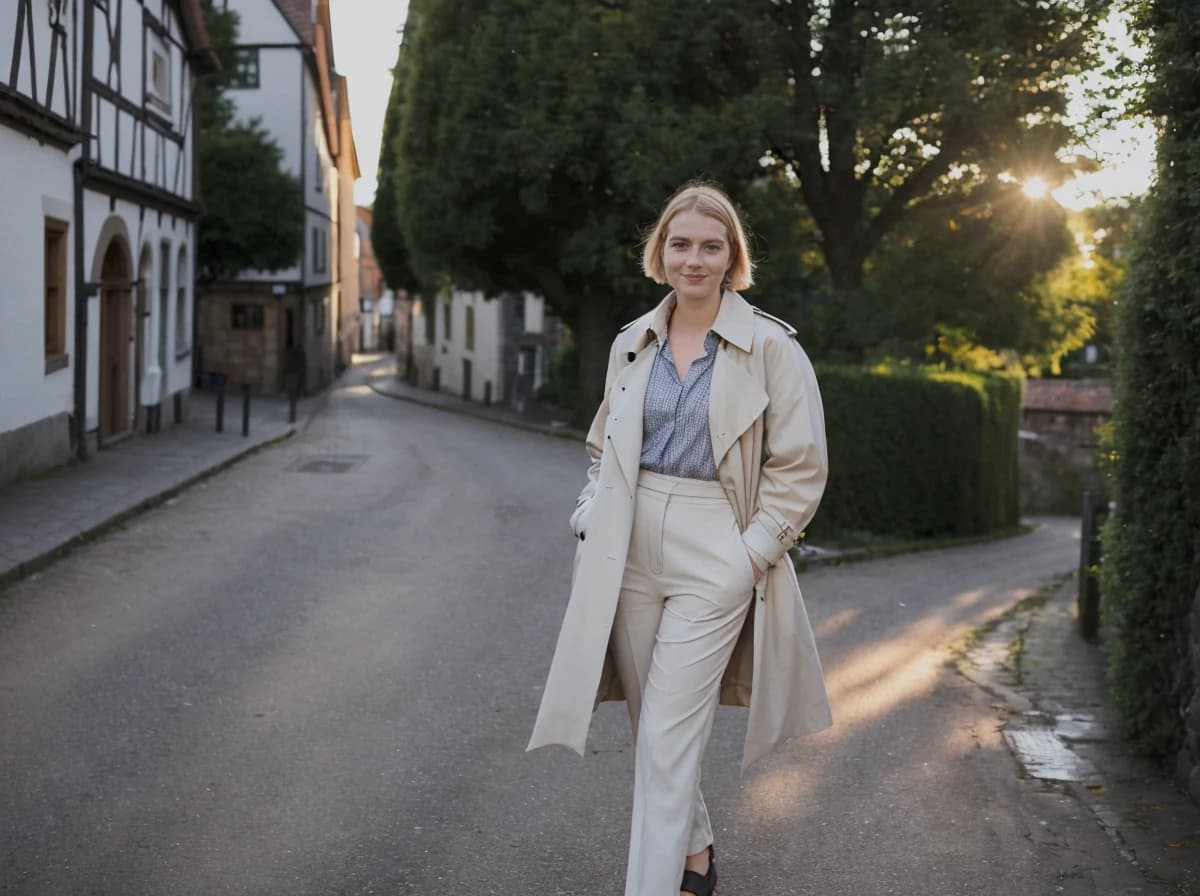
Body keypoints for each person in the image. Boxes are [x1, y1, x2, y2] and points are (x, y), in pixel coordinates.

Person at [527, 182, 832, 896]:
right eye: (681, 244)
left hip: (718, 544)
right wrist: (587, 512)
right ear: (659, 253)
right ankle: (695, 858)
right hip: (624, 546)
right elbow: (603, 447)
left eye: (711, 246)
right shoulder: (632, 342)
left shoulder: (771, 348)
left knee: (667, 735)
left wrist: (750, 553)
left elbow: (802, 467)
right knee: (652, 728)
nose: (694, 259)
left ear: (733, 258)